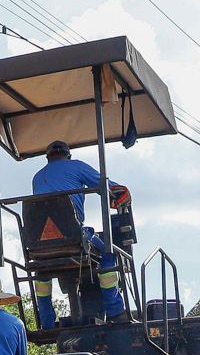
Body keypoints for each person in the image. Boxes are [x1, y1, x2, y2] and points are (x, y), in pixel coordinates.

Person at [29, 139, 127, 327]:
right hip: (73, 236)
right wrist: (120, 192)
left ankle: (47, 323)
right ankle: (115, 311)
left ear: (47, 158)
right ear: (68, 155)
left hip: (38, 242)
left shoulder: (37, 176)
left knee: (42, 270)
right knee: (108, 253)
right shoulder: (76, 166)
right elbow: (106, 186)